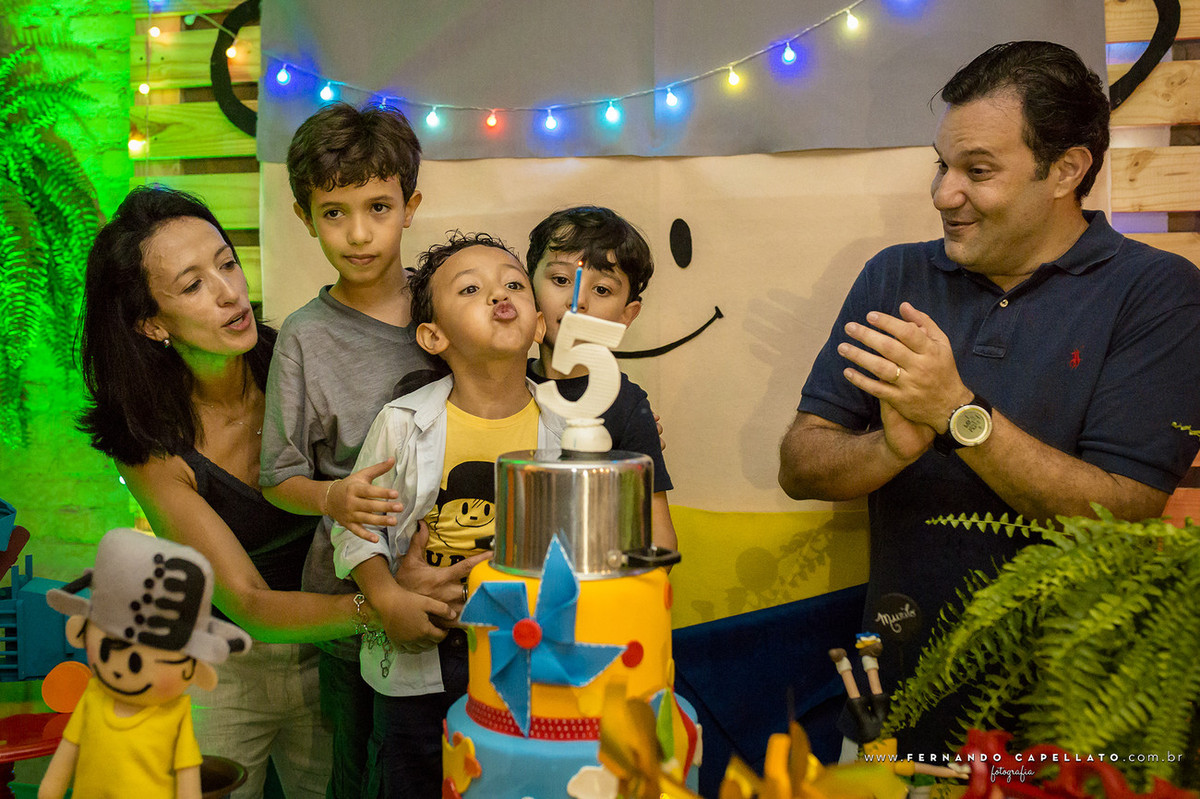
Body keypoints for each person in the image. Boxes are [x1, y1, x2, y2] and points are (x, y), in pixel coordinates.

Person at [777, 41, 1200, 755]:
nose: (945, 193)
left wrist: (956, 414)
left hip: (1077, 725)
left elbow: (1122, 509)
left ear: (1067, 169)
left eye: (977, 171)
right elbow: (799, 464)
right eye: (942, 165)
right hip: (895, 710)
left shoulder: (1156, 294)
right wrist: (888, 447)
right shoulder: (896, 276)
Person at [77, 185, 396, 798]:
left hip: (333, 660)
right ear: (150, 323)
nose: (229, 294)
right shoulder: (148, 442)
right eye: (193, 285)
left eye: (227, 263)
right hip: (224, 667)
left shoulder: (299, 359)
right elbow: (247, 600)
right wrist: (383, 613)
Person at [259, 102, 481, 799]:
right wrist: (330, 495)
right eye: (334, 212)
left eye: (378, 206)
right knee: (368, 778)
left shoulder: (449, 307)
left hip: (470, 595)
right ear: (304, 216)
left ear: (411, 205)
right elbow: (278, 474)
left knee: (474, 767)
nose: (358, 233)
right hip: (358, 611)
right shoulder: (304, 336)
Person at [330, 232, 567, 798]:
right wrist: (388, 600)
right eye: (471, 289)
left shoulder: (567, 428)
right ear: (433, 336)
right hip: (419, 662)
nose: (498, 295)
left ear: (537, 325)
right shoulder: (401, 423)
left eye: (513, 284)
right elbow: (355, 528)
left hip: (527, 657)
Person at [41, 528, 253, 799]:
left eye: (137, 662)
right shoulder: (93, 696)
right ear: (80, 632)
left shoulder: (175, 714)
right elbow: (68, 751)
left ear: (194, 670)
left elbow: (187, 774)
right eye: (107, 651)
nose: (119, 668)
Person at [525, 206, 678, 551]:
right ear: (527, 287)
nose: (577, 301)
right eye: (560, 280)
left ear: (627, 315)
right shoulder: (503, 383)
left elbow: (659, 539)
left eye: (603, 290)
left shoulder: (627, 406)